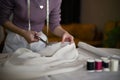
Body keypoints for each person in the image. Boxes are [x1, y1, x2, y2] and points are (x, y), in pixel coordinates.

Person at [0, 0, 74, 53]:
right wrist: (23, 33)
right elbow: (2, 19)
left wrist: (64, 33)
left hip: (38, 42)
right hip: (15, 41)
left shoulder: (56, 1)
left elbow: (54, 25)